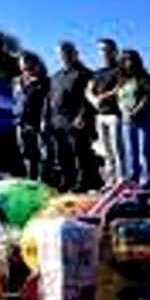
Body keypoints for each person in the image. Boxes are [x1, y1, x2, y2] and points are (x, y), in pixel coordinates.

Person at [43, 41, 99, 192]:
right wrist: (46, 118)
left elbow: (89, 98)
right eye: (62, 53)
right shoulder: (56, 76)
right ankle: (67, 180)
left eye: (68, 52)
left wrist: (83, 116)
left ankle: (84, 181)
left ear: (75, 54)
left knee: (80, 152)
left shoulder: (85, 74)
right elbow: (49, 99)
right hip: (56, 119)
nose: (65, 56)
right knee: (62, 153)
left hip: (75, 119)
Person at [116, 49, 150, 187]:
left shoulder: (145, 78)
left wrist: (136, 111)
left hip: (145, 118)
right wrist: (125, 111)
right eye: (124, 59)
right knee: (130, 152)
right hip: (127, 120)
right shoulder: (122, 81)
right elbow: (119, 99)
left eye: (131, 59)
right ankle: (132, 180)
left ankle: (147, 181)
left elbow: (148, 96)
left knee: (144, 151)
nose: (128, 62)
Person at [86, 38, 125, 186]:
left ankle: (121, 182)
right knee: (106, 152)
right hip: (100, 116)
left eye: (107, 49)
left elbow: (119, 88)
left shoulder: (120, 70)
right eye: (101, 50)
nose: (104, 53)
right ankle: (110, 182)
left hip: (115, 115)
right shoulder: (97, 73)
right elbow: (88, 90)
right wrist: (93, 100)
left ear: (115, 51)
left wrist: (102, 97)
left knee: (118, 151)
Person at [12, 52, 49, 181]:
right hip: (21, 121)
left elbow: (48, 102)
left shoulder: (44, 81)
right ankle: (30, 179)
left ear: (34, 62)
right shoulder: (16, 81)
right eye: (21, 63)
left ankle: (42, 180)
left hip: (37, 122)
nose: (23, 65)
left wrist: (45, 120)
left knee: (42, 154)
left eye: (26, 62)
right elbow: (16, 99)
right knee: (26, 153)